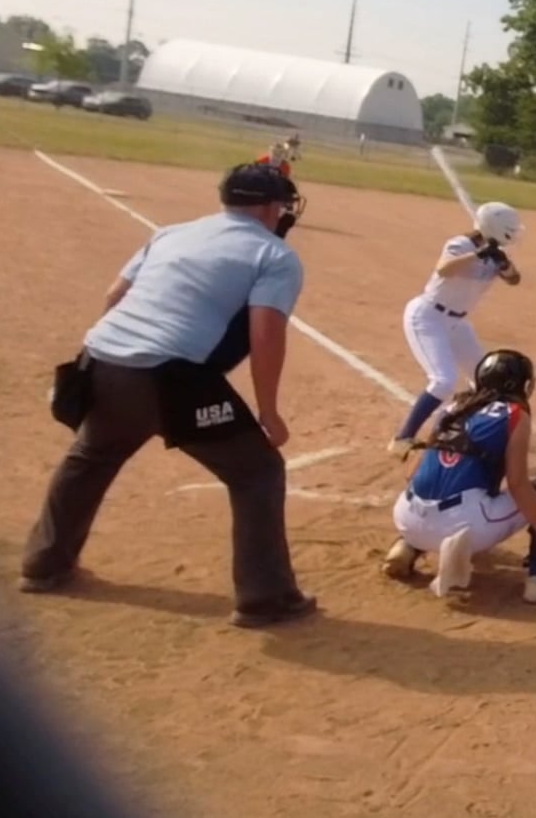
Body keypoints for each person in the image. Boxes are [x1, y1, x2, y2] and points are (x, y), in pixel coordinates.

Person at [21, 164, 317, 628]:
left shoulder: (172, 233)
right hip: (170, 376)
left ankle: (44, 564)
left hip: (100, 359)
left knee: (92, 455)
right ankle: (265, 597)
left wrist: (120, 351)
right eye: (280, 205)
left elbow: (114, 297)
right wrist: (268, 412)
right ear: (269, 208)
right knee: (257, 472)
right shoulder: (273, 254)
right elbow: (265, 335)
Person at [381, 350, 536, 605]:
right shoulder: (515, 414)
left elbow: (413, 471)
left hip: (406, 518)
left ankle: (407, 547)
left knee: (442, 487)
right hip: (461, 526)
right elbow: (518, 484)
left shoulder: (454, 406)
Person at [388, 202, 524, 457]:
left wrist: (504, 264)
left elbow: (514, 279)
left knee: (485, 380)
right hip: (427, 317)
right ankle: (402, 439)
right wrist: (479, 254)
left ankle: (458, 426)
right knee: (443, 380)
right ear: (497, 228)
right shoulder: (460, 245)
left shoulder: (495, 254)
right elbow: (444, 268)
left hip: (457, 323)